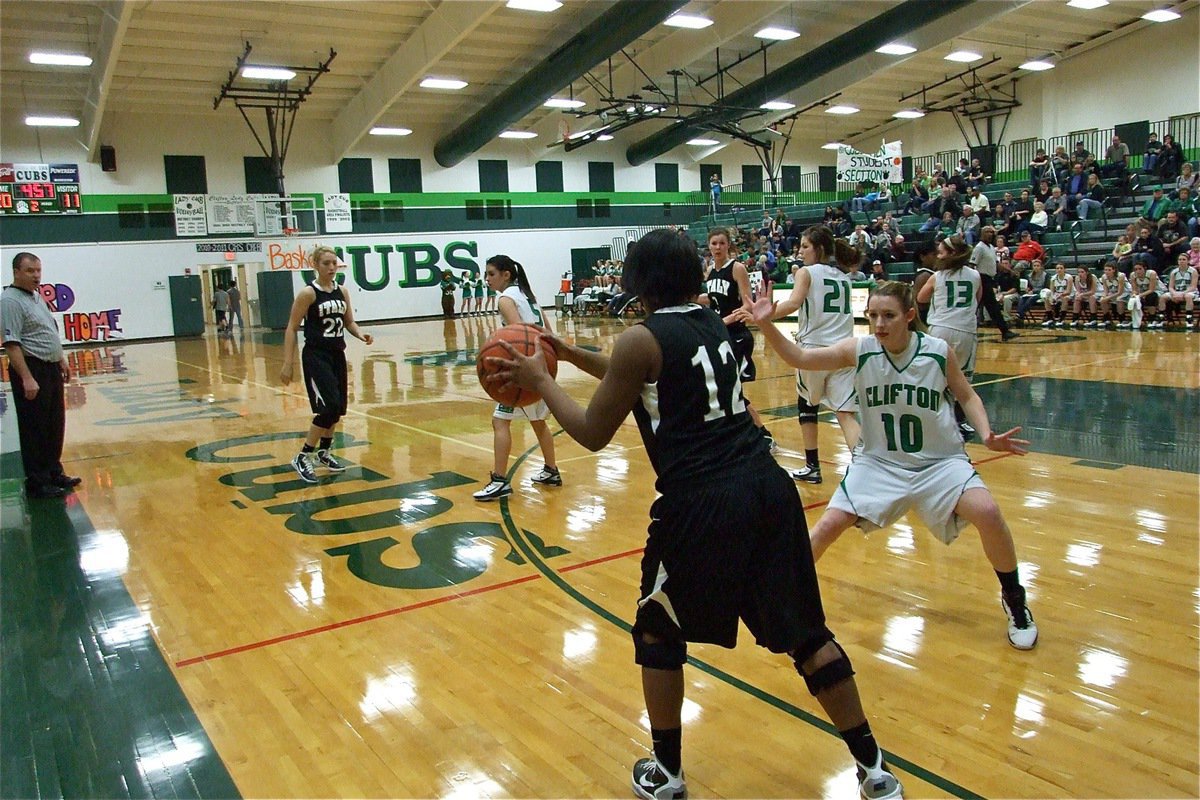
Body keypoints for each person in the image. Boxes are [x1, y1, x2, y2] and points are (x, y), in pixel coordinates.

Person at [486, 229, 904, 800]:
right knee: (807, 636)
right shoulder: (710, 321)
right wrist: (568, 352)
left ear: (637, 282)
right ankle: (874, 769)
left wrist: (538, 379)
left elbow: (590, 432)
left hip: (703, 502)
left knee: (658, 628)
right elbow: (635, 372)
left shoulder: (642, 337)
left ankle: (668, 773)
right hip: (768, 489)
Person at [748, 280, 1039, 652]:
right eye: (872, 316)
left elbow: (966, 394)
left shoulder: (937, 351)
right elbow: (800, 358)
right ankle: (782, 603)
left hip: (939, 462)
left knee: (988, 512)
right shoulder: (861, 349)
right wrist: (767, 324)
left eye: (888, 315)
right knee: (826, 527)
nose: (879, 323)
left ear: (910, 316)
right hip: (879, 463)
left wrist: (986, 433)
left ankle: (1015, 601)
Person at [769, 226, 863, 484]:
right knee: (845, 413)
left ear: (819, 249)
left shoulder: (806, 272)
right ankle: (866, 469)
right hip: (844, 351)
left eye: (805, 246)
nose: (800, 250)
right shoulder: (844, 277)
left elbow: (793, 303)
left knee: (806, 405)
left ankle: (812, 466)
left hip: (814, 350)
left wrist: (764, 314)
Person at [280, 246, 374, 483]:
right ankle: (303, 455)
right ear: (315, 265)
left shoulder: (342, 291)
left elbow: (348, 321)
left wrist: (361, 334)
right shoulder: (308, 294)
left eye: (334, 263)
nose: (332, 267)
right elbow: (291, 327)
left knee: (338, 409)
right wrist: (287, 363)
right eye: (326, 263)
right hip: (316, 356)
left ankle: (324, 452)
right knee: (328, 407)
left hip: (337, 354)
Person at [473, 255, 561, 501]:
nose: (487, 279)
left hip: (523, 372)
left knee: (500, 422)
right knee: (537, 422)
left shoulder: (505, 298)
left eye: (491, 273)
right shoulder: (528, 296)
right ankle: (551, 471)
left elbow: (517, 334)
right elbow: (548, 333)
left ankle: (500, 481)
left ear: (506, 274)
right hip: (541, 366)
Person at [1, 252, 80, 499]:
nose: (36, 275)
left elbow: (48, 331)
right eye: (30, 271)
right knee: (35, 428)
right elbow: (12, 344)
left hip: (50, 368)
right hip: (32, 369)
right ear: (16, 272)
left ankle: (53, 472)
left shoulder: (36, 297)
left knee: (54, 424)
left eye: (38, 270)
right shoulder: (10, 301)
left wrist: (61, 359)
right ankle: (37, 481)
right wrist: (26, 377)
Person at [701, 227, 775, 450]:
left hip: (738, 336)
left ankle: (764, 435)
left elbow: (746, 304)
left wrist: (723, 321)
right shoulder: (710, 270)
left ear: (729, 245)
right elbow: (713, 299)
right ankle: (741, 434)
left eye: (722, 243)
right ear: (708, 245)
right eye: (714, 243)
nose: (717, 247)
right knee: (725, 390)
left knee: (734, 390)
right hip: (721, 337)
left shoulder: (737, 268)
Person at [917, 236, 982, 441]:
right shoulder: (975, 275)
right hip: (965, 330)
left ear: (953, 254)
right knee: (962, 379)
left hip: (940, 329)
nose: (938, 255)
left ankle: (932, 420)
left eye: (942, 251)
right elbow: (977, 299)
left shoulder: (938, 276)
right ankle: (958, 422)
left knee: (935, 376)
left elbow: (921, 298)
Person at [971, 226, 1018, 341]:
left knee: (984, 307)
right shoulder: (979, 248)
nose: (990, 234)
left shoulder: (991, 247)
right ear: (981, 234)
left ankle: (1004, 331)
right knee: (991, 306)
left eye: (992, 232)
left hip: (990, 279)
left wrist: (1010, 271)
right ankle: (1005, 331)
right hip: (981, 279)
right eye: (987, 232)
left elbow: (997, 263)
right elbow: (972, 265)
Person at [1159, 252, 1198, 330]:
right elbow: (1170, 287)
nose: (1181, 261)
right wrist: (1174, 293)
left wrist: (1182, 294)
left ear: (1188, 261)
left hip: (1190, 292)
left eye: (1184, 259)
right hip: (1176, 292)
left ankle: (1188, 319)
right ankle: (1161, 319)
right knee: (1163, 297)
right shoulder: (1174, 272)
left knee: (1188, 296)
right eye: (1180, 259)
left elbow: (1193, 287)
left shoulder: (1193, 271)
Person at [1097, 262, 1131, 329]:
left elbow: (1120, 292)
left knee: (1119, 299)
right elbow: (1106, 291)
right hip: (1113, 293)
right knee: (1102, 300)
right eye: (1105, 270)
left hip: (1126, 293)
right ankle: (1107, 319)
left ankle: (1122, 320)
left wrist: (1108, 297)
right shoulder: (1104, 277)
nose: (1107, 271)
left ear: (1114, 270)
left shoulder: (1121, 276)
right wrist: (1104, 297)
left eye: (1109, 270)